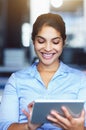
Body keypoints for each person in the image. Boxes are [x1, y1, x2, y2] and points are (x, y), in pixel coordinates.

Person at [0, 13, 86, 130]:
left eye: (55, 42)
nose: (48, 48)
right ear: (33, 41)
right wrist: (28, 127)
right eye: (41, 41)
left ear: (63, 42)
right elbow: (3, 126)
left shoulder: (80, 80)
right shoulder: (16, 80)